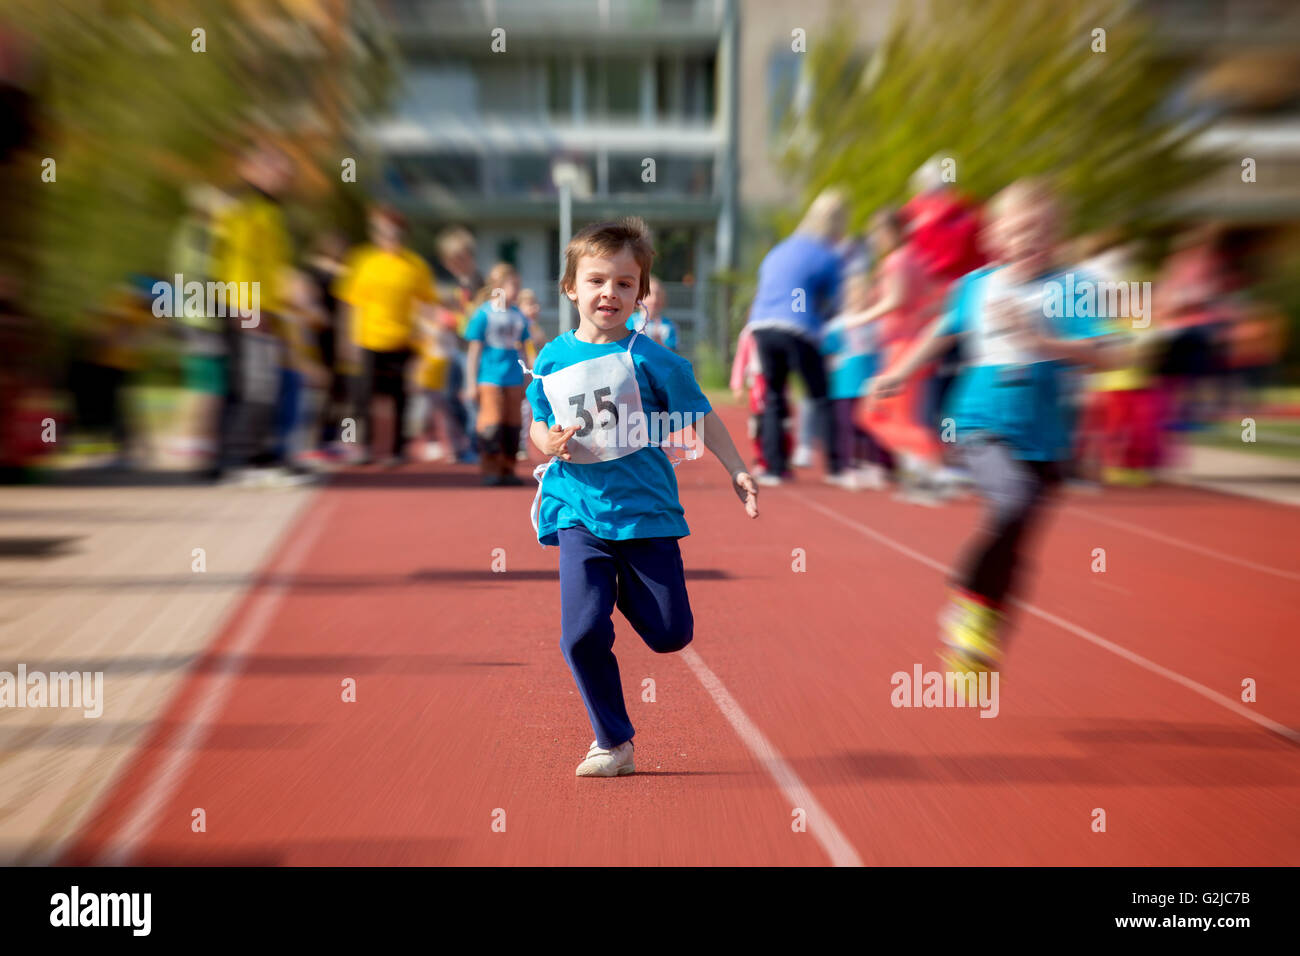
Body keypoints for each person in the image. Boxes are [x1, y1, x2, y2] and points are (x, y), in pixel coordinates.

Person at [524, 217, 759, 777]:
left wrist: (737, 468)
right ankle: (612, 742)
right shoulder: (552, 358)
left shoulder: (654, 359)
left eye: (625, 284)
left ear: (640, 294)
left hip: (645, 515)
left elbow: (700, 415)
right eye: (598, 280)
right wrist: (546, 442)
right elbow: (536, 423)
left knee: (670, 633)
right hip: (577, 509)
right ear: (571, 288)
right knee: (580, 634)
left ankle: (620, 588)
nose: (610, 293)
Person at [868, 179, 1125, 674]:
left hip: (1046, 435)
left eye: (1040, 229)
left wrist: (1048, 342)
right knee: (1012, 500)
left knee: (1018, 535)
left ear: (1057, 235)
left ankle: (979, 629)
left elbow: (1109, 353)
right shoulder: (976, 287)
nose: (1027, 238)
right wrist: (898, 373)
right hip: (978, 423)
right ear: (997, 234)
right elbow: (942, 333)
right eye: (1017, 228)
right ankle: (965, 602)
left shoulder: (1076, 288)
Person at [744, 188, 847, 485]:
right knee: (821, 396)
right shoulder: (828, 255)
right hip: (797, 327)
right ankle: (837, 467)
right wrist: (821, 327)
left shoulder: (780, 249)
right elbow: (834, 304)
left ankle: (775, 468)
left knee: (775, 396)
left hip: (762, 325)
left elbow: (766, 288)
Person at [334, 205, 438, 467]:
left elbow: (428, 304)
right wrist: (347, 340)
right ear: (375, 232)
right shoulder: (362, 261)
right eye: (382, 231)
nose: (388, 236)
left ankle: (396, 450)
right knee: (363, 398)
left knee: (399, 398)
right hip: (368, 340)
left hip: (402, 341)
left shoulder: (414, 265)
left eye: (394, 232)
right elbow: (350, 304)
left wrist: (427, 338)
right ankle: (365, 447)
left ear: (402, 234)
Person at [858, 208, 946, 501]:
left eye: (876, 234)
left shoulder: (896, 261)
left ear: (889, 233)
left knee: (873, 413)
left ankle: (932, 460)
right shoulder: (917, 260)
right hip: (912, 345)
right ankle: (922, 477)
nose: (875, 240)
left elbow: (896, 300)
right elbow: (934, 301)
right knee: (897, 415)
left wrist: (860, 317)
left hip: (902, 347)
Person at [462, 262, 533, 485]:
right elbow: (474, 351)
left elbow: (525, 348)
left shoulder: (518, 316)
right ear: (499, 287)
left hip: (513, 377)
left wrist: (528, 377)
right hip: (489, 378)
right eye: (514, 285)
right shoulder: (483, 314)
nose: (517, 291)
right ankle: (491, 469)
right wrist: (471, 383)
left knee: (512, 425)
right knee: (491, 423)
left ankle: (507, 469)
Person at [623, 275, 678, 351]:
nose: (654, 300)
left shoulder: (668, 326)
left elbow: (672, 355)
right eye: (650, 295)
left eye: (658, 295)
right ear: (639, 298)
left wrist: (659, 345)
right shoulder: (629, 321)